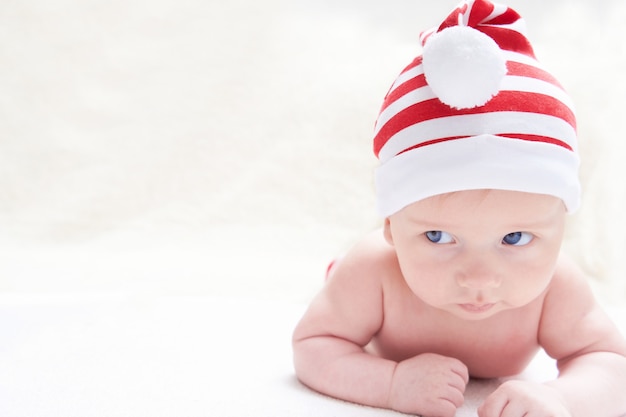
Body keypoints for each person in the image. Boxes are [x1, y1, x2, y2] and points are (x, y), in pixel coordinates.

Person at [291, 1, 626, 416]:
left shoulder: (557, 288)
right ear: (391, 225)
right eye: (438, 236)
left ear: (561, 226)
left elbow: (611, 361)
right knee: (339, 287)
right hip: (355, 290)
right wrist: (391, 383)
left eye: (515, 238)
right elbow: (313, 345)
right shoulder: (374, 272)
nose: (478, 278)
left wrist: (561, 396)